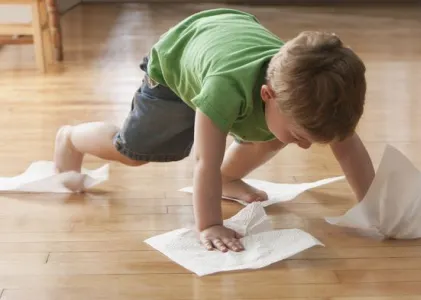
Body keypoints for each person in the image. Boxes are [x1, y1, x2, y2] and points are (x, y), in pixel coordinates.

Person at [53, 8, 375, 253]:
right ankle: (70, 137)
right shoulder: (224, 90)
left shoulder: (305, 93)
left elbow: (347, 148)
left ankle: (229, 178)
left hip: (224, 40)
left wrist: (375, 207)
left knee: (276, 136)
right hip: (175, 66)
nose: (304, 147)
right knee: (133, 152)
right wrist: (209, 225)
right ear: (267, 95)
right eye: (301, 137)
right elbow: (204, 162)